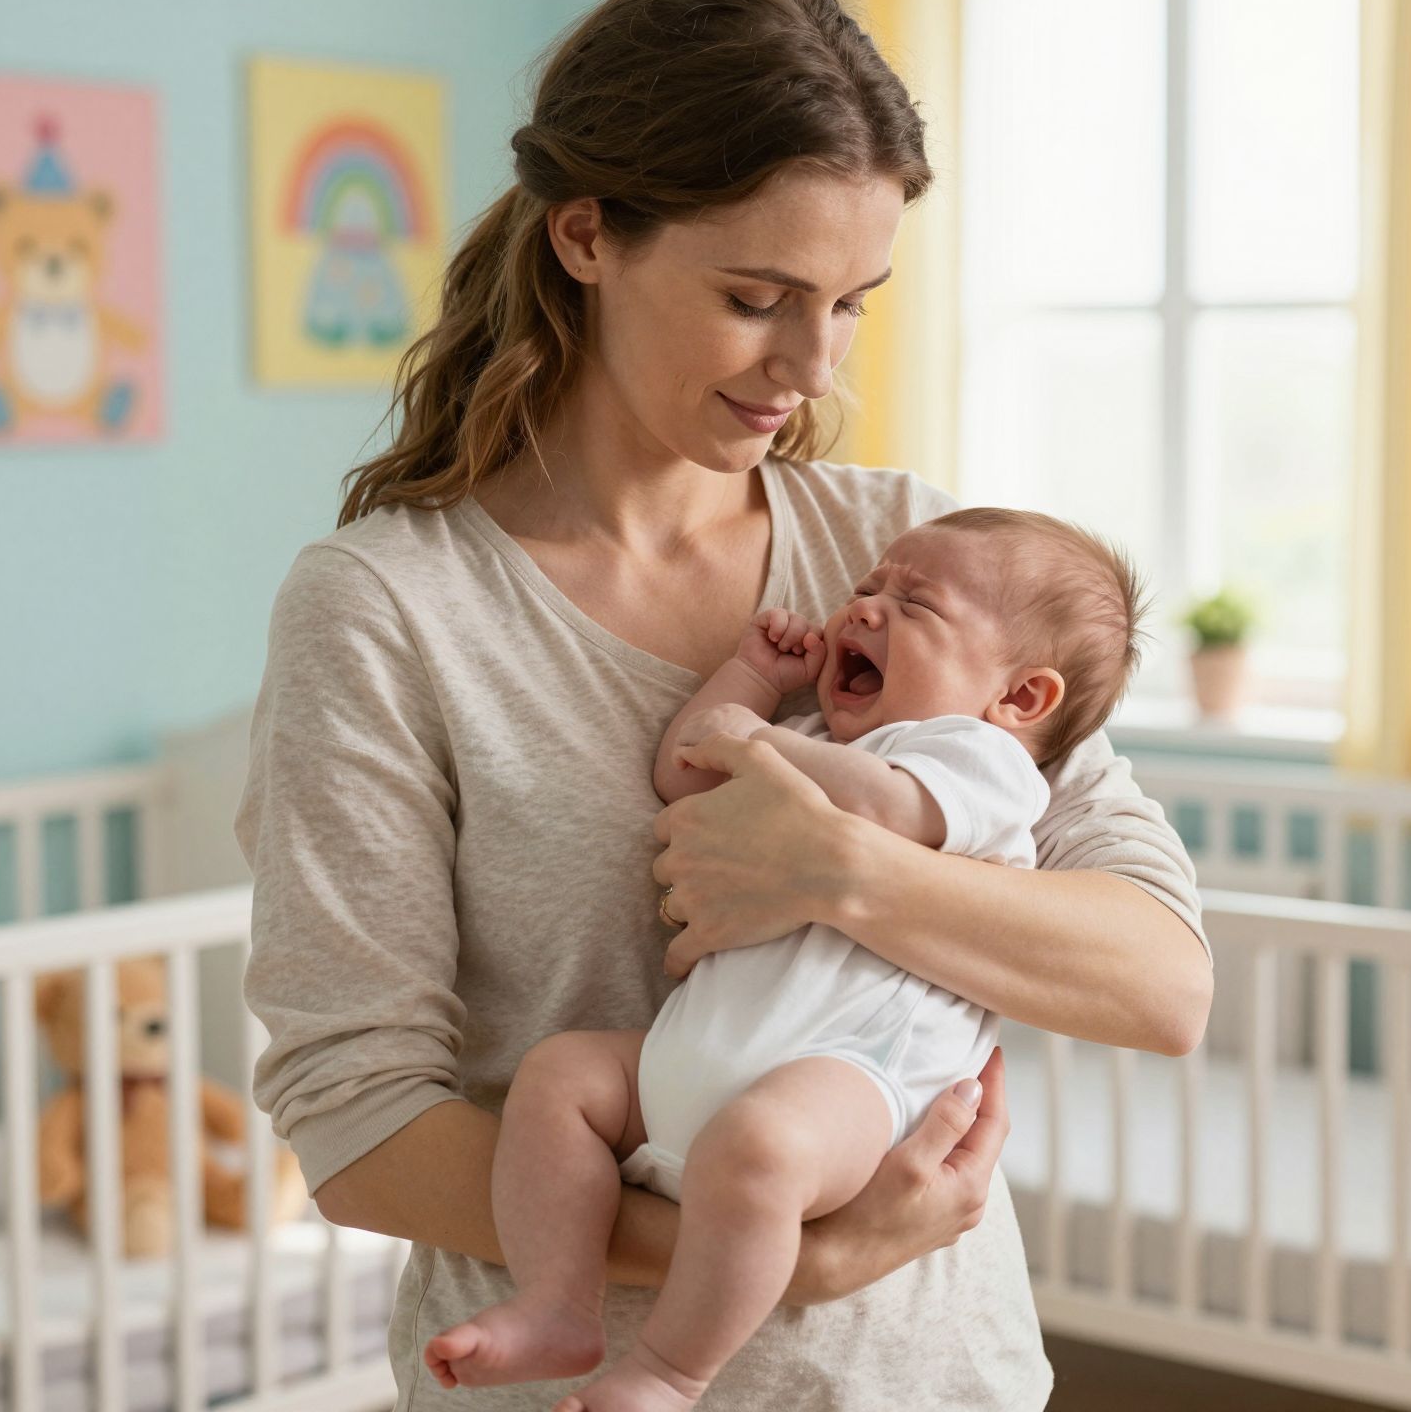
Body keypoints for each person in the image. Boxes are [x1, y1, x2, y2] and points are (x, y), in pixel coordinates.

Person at [238, 0, 1212, 1412]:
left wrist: (839, 870)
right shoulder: (391, 609)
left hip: (933, 1377)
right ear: (586, 235)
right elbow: (361, 1132)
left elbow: (1159, 980)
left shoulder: (907, 556)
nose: (811, 367)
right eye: (758, 297)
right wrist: (776, 1260)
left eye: (853, 304)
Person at [427, 508, 1151, 1412]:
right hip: (697, 1055)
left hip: (849, 1080)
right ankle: (557, 1304)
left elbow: (884, 814)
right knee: (559, 1077)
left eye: (914, 605)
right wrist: (756, 684)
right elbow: (686, 775)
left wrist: (762, 742)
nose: (866, 609)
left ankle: (666, 1372)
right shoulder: (820, 738)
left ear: (1021, 699)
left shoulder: (981, 762)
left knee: (759, 1149)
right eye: (866, 589)